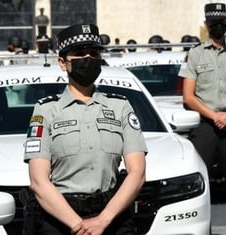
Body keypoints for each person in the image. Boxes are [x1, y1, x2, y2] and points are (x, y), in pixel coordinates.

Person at [23, 23, 147, 235]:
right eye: (80, 54)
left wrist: (102, 220)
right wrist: (79, 226)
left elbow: (137, 172)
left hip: (112, 216)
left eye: (94, 53)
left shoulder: (120, 106)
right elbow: (38, 181)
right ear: (63, 63)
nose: (88, 59)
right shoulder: (46, 110)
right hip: (61, 217)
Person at [178, 3, 226, 235]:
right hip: (206, 127)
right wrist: (214, 116)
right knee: (199, 184)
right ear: (206, 25)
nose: (217, 26)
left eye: (220, 22)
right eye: (213, 23)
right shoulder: (196, 53)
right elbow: (188, 97)